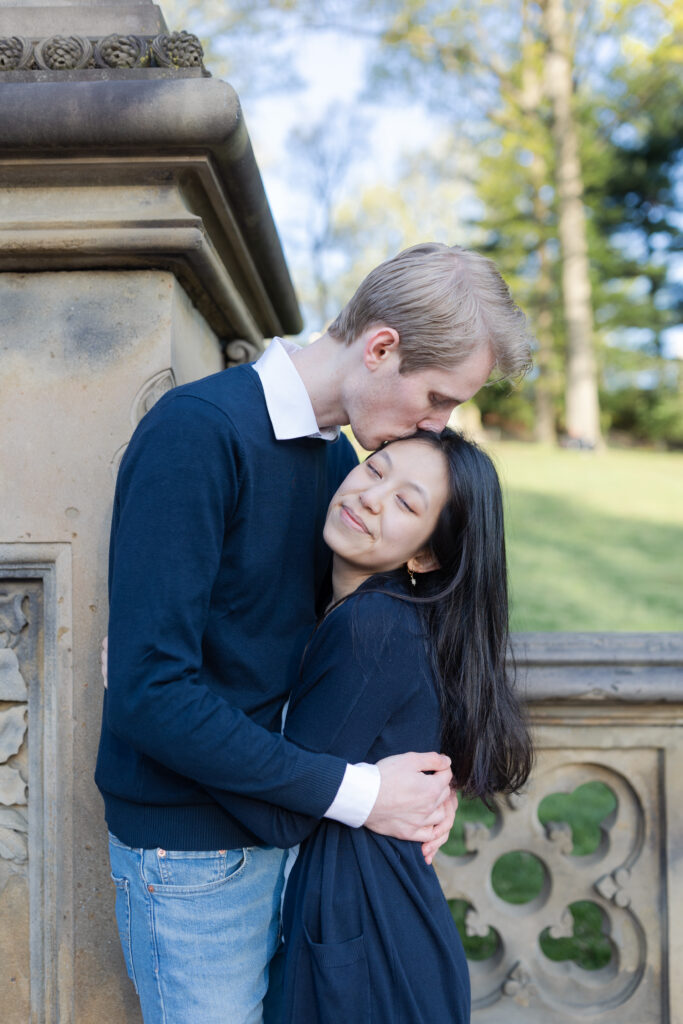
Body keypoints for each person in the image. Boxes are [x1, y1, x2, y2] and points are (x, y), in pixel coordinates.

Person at [96, 243, 532, 1023]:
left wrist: (423, 788)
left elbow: (366, 648)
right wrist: (366, 795)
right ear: (381, 347)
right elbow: (149, 692)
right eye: (438, 398)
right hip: (191, 859)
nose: (439, 425)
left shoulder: (341, 467)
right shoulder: (199, 434)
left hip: (286, 840)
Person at [208, 429, 533, 1023]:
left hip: (366, 957)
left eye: (408, 503)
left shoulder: (372, 625)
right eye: (374, 470)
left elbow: (280, 812)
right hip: (371, 933)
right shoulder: (366, 614)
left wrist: (173, 693)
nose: (372, 497)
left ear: (426, 557)